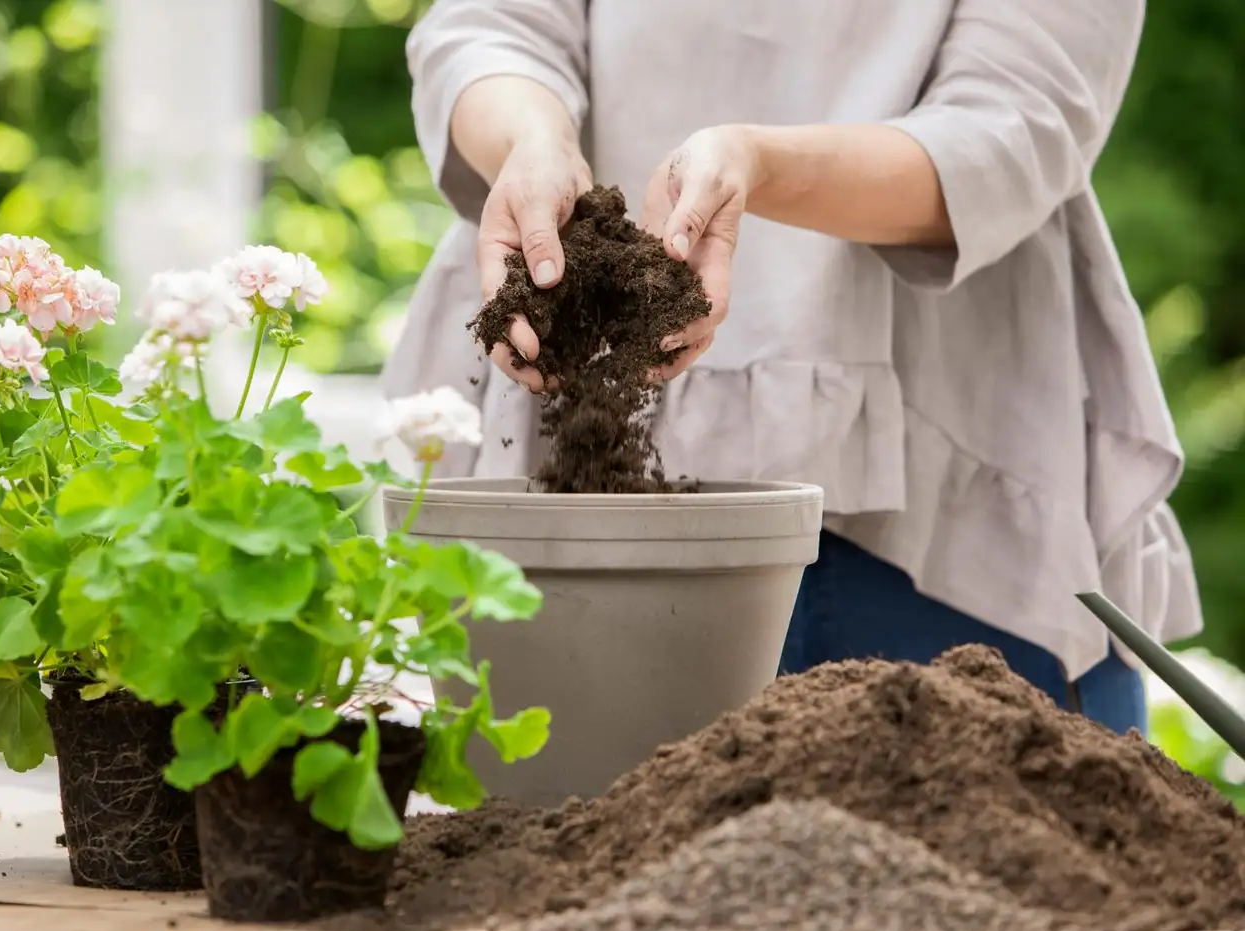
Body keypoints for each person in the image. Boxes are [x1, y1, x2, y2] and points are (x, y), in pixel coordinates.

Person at [386, 0, 1202, 736]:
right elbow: (489, 26)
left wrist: (754, 164)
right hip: (586, 517)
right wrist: (533, 138)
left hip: (941, 525)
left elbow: (1011, 125)